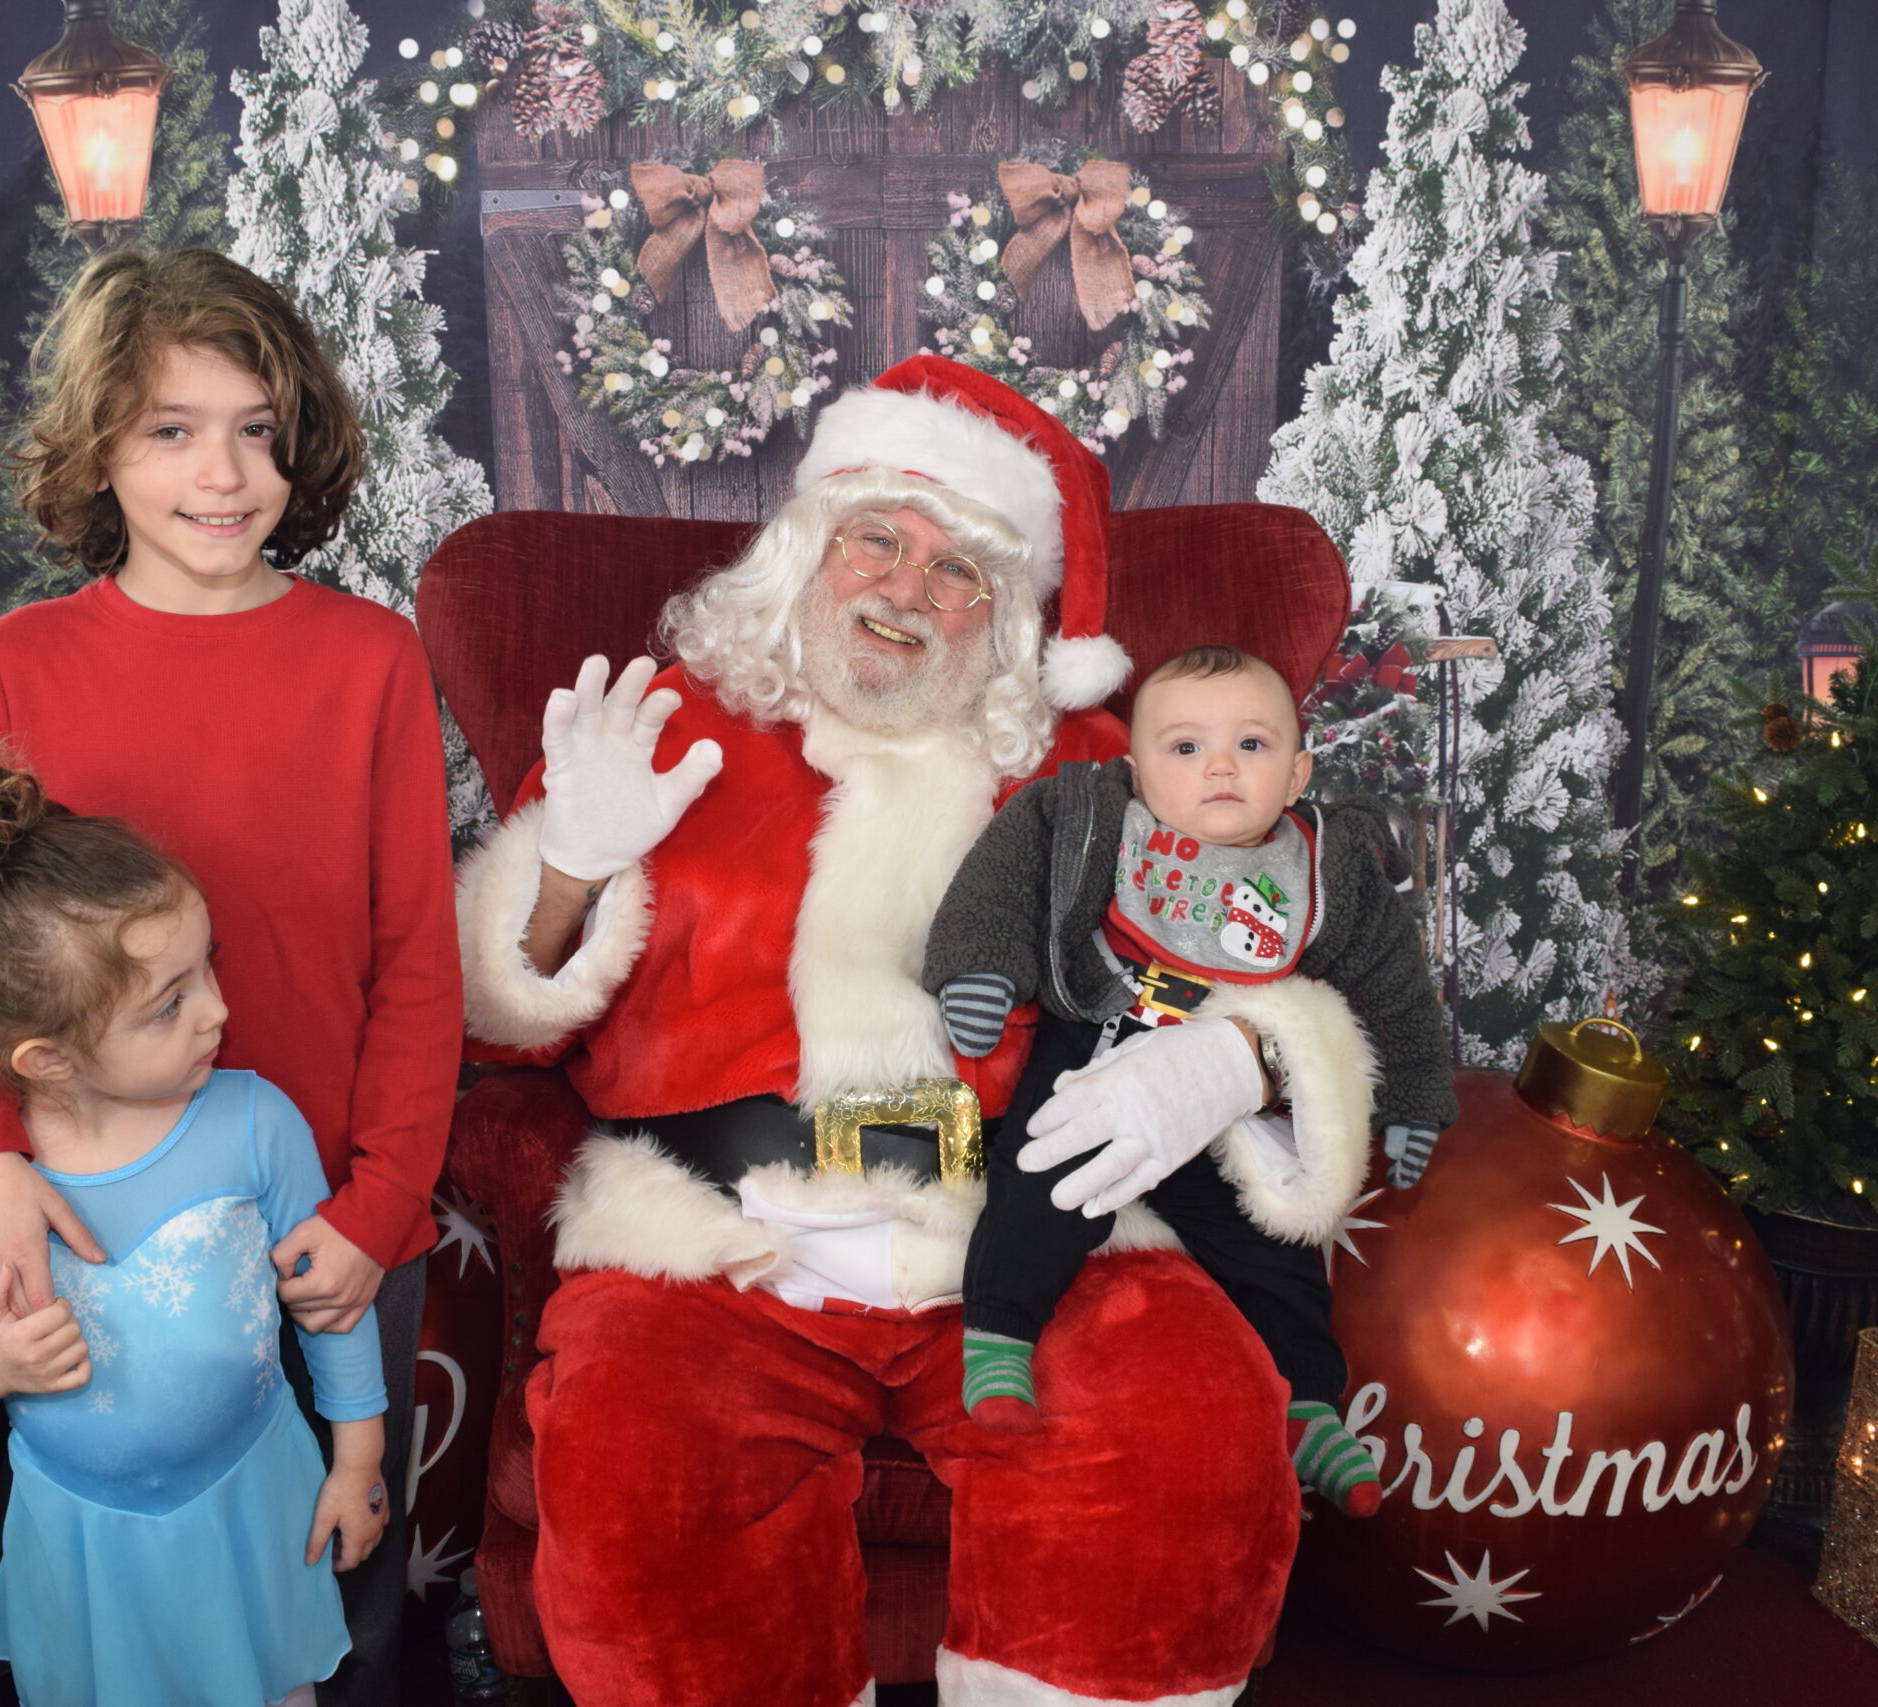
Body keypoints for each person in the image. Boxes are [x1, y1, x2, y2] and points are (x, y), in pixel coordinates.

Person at [456, 356, 1382, 1706]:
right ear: (806, 547)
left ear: (1008, 619)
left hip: (1037, 1237)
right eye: (876, 539)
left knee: (1187, 1429)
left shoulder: (1097, 768)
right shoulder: (656, 729)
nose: (905, 591)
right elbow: (506, 1031)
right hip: (719, 1243)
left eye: (960, 572)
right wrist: (567, 871)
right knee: (643, 1482)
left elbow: (1268, 949)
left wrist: (1233, 1053)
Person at [0, 248, 463, 1703]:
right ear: (100, 446)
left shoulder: (371, 659)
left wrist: (382, 1204)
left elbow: (418, 957)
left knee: (330, 1579)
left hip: (335, 1208)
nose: (224, 474)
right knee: (135, 1573)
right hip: (96, 1209)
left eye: (257, 430)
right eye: (171, 428)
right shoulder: (18, 662)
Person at [0, 758, 388, 1707]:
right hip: (85, 1546)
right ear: (48, 1057)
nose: (218, 1010)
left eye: (208, 965)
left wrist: (358, 1459)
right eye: (170, 1003)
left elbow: (333, 1306)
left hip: (253, 1509)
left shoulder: (256, 1123)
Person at [923, 643, 1458, 1512]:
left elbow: (1393, 985)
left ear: (1297, 774)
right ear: (1137, 772)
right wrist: (981, 967)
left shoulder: (1328, 870)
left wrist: (1412, 1094)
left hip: (1232, 1080)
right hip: (1102, 1035)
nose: (1220, 766)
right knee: (1043, 1180)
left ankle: (1310, 1406)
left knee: (1275, 1246)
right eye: (1185, 747)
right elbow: (1003, 878)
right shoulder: (1091, 814)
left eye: (1252, 744)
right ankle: (1000, 1336)